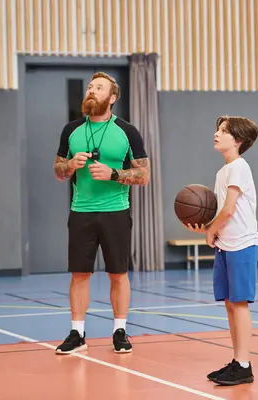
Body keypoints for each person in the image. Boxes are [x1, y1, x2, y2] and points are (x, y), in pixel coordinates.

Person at [53, 72, 150, 354]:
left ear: (113, 97)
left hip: (115, 212)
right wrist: (70, 165)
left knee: (118, 274)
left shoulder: (127, 131)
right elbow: (58, 172)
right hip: (81, 212)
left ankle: (119, 330)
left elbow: (144, 175)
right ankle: (77, 334)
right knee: (79, 274)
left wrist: (114, 173)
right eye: (90, 87)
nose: (92, 91)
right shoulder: (71, 130)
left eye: (99, 87)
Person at [184, 116, 258, 386]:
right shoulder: (222, 171)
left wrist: (211, 229)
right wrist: (205, 227)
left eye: (224, 131)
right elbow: (219, 213)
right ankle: (238, 361)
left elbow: (229, 210)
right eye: (217, 129)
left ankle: (244, 364)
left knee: (239, 304)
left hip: (242, 244)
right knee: (229, 304)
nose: (217, 134)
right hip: (226, 245)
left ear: (238, 140)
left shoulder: (239, 167)